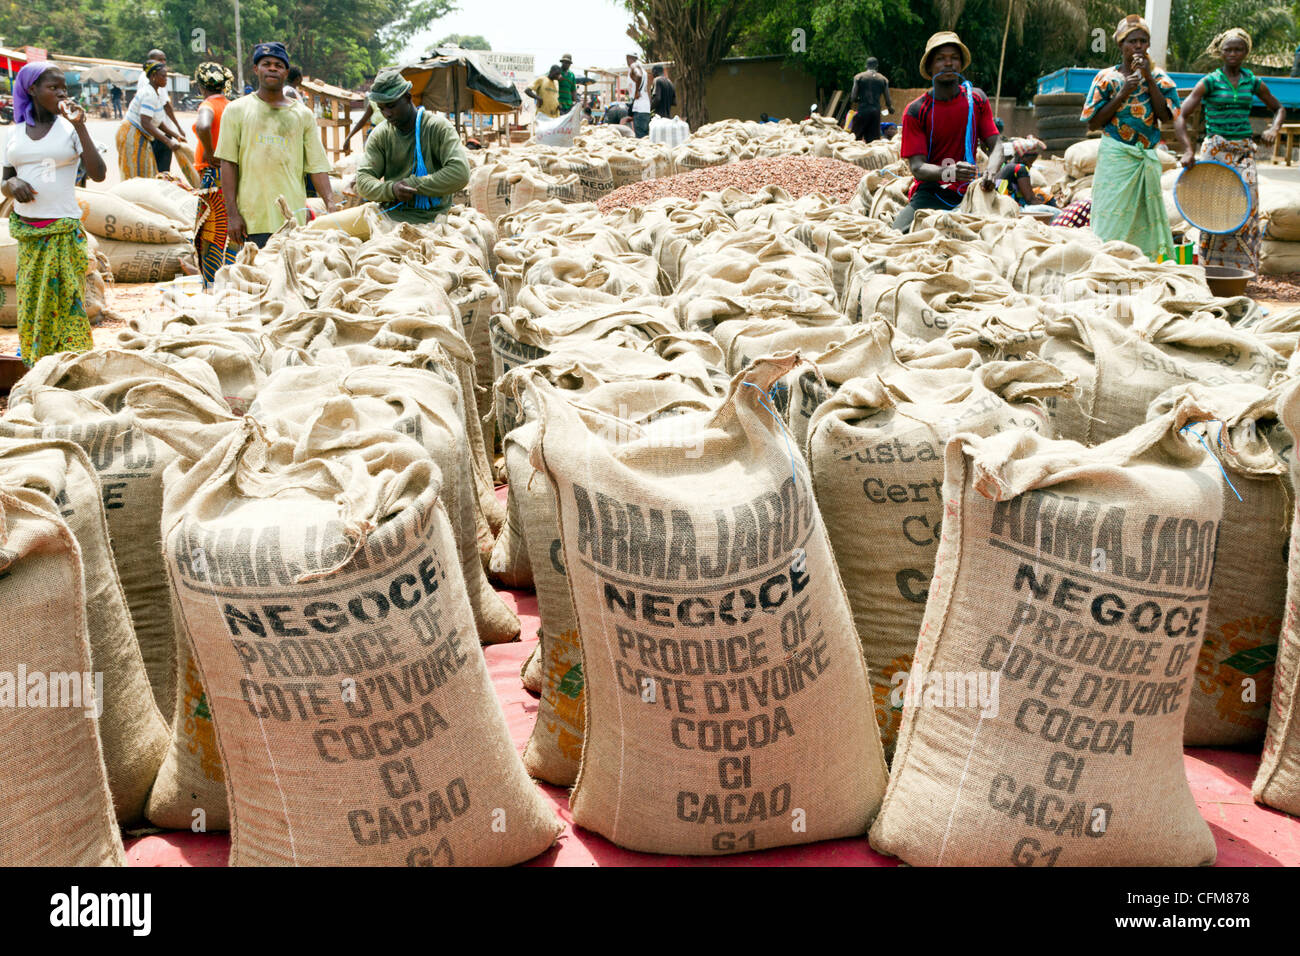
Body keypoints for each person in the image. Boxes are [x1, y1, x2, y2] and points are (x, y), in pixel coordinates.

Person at [2, 62, 106, 366]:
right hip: (29, 234)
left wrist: (81, 126)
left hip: (63, 231)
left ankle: (70, 366)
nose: (62, 93)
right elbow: (5, 180)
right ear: (32, 90)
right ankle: (38, 365)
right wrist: (11, 184)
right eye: (53, 87)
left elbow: (98, 173)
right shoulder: (15, 133)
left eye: (64, 87)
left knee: (65, 304)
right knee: (32, 304)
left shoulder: (69, 130)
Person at [1081, 14, 1190, 260]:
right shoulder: (1106, 79)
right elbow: (1093, 123)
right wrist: (1123, 92)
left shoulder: (1160, 78)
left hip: (1145, 158)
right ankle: (1108, 261)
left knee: (1145, 216)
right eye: (1132, 41)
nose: (1138, 46)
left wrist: (1148, 78)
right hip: (1116, 158)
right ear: (1120, 45)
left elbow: (1165, 115)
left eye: (1143, 41)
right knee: (1111, 214)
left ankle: (1144, 263)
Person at [1175, 28, 1285, 273]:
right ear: (1221, 53)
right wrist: (1187, 150)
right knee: (1211, 207)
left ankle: (1243, 269)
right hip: (1216, 151)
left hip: (1244, 151)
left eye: (1238, 49)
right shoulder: (1210, 81)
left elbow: (1278, 108)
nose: (1233, 53)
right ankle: (1209, 267)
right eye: (1228, 50)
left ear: (1245, 52)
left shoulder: (1252, 81)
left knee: (1247, 206)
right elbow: (1181, 115)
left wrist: (1273, 129)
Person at [216, 41, 338, 249]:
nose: (272, 68)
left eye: (278, 65)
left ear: (286, 72)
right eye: (266, 63)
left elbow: (316, 166)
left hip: (292, 218)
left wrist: (331, 205)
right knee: (256, 278)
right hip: (252, 219)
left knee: (292, 276)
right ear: (256, 69)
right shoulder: (236, 110)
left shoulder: (303, 115)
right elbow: (228, 164)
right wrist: (232, 214)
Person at [892, 31, 1001, 233]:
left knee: (1004, 231)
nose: (948, 64)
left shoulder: (976, 100)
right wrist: (949, 173)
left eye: (954, 58)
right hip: (931, 192)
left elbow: (997, 146)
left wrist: (991, 172)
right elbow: (917, 167)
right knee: (894, 237)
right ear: (930, 67)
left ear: (961, 65)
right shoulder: (916, 110)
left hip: (972, 190)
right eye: (941, 59)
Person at [354, 69, 470, 224]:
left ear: (408, 98)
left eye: (391, 106)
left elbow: (460, 173)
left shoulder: (437, 128)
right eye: (381, 108)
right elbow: (362, 180)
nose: (387, 114)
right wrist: (392, 190)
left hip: (431, 217)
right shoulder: (381, 134)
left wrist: (412, 184)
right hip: (388, 214)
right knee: (324, 227)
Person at [191, 62, 237, 288]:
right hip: (232, 174)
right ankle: (232, 278)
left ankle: (213, 283)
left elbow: (203, 125)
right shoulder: (230, 105)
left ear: (201, 86)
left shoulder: (208, 105)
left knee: (213, 233)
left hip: (214, 177)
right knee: (231, 229)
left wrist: (210, 152)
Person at [117, 60, 182, 179]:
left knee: (146, 170)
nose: (166, 79)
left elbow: (156, 122)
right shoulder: (149, 95)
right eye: (163, 76)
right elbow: (145, 123)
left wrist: (176, 135)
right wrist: (168, 141)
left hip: (139, 134)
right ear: (153, 76)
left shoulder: (154, 93)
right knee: (136, 174)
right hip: (132, 134)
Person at [849, 57, 893, 143]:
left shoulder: (859, 77)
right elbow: (888, 99)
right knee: (873, 142)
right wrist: (890, 108)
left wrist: (860, 99)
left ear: (866, 66)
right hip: (875, 112)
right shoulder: (883, 79)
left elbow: (853, 97)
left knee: (855, 139)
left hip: (863, 111)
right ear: (877, 66)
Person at [627, 54, 652, 137]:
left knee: (640, 136)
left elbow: (638, 76)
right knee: (644, 136)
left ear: (629, 58)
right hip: (645, 107)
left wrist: (637, 91)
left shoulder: (633, 66)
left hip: (639, 107)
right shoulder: (642, 69)